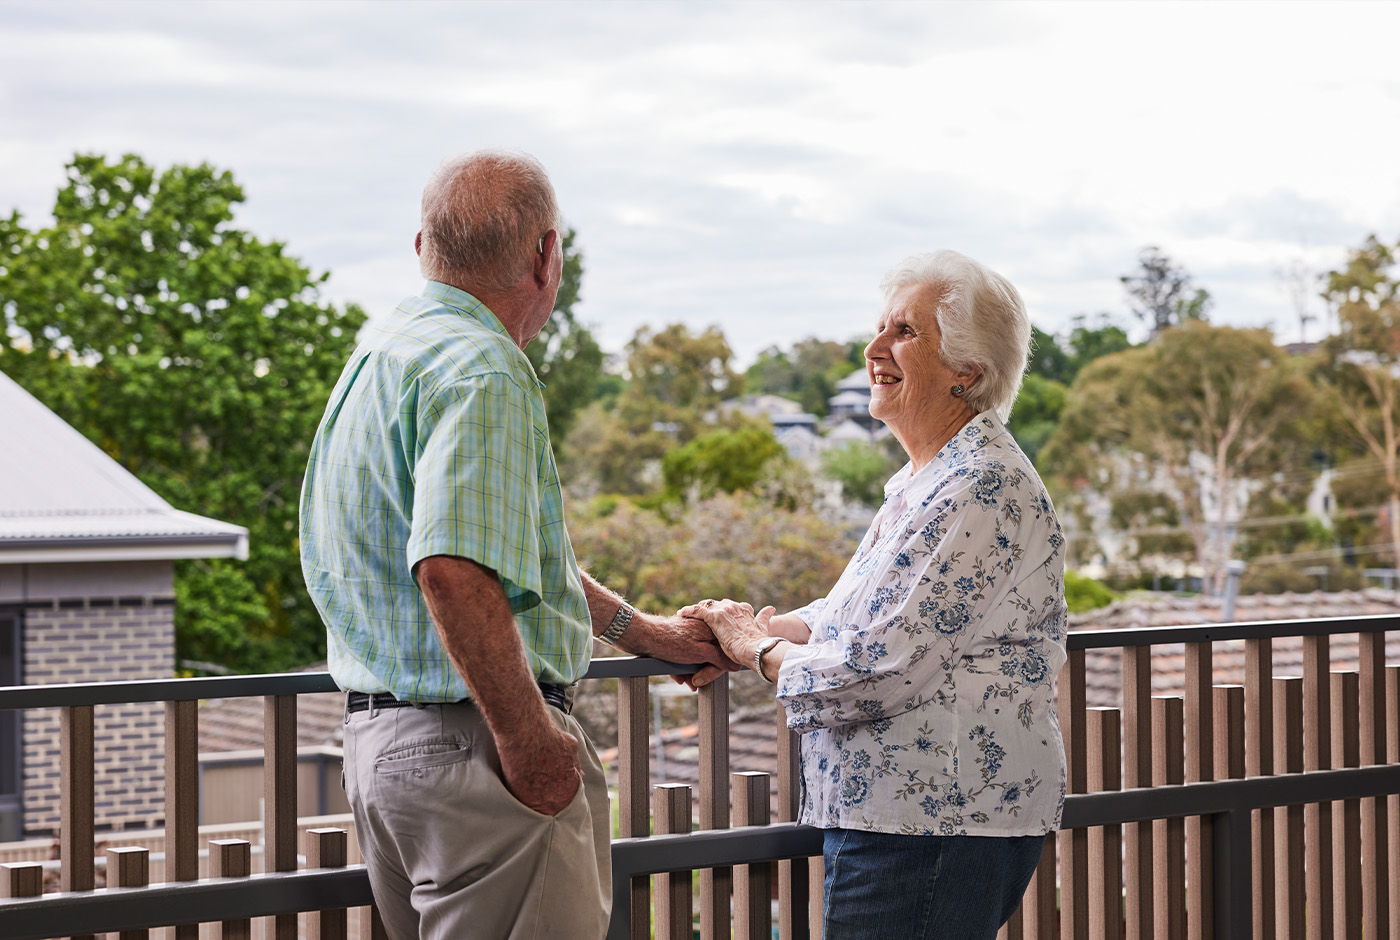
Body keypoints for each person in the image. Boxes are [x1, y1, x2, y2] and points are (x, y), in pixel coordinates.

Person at [299, 150, 735, 940]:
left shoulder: (385, 353)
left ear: (423, 247)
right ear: (546, 255)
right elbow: (454, 570)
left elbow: (505, 561)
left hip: (385, 753)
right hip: (477, 759)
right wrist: (528, 740)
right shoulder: (484, 369)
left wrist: (648, 634)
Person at [682, 250, 1067, 940]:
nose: (873, 348)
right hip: (902, 818)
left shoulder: (980, 486)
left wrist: (757, 650)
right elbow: (856, 615)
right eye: (881, 328)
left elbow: (877, 668)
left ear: (966, 373)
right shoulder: (928, 480)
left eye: (905, 332)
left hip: (934, 825)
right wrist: (760, 631)